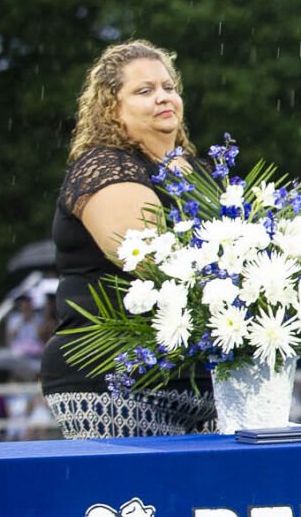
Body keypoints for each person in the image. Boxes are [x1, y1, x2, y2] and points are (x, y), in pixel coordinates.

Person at [40, 40, 218, 438]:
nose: (163, 97)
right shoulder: (105, 168)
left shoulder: (203, 171)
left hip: (205, 379)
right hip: (116, 380)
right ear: (112, 108)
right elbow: (151, 260)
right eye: (144, 90)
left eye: (169, 87)